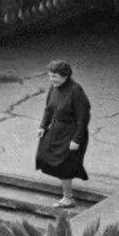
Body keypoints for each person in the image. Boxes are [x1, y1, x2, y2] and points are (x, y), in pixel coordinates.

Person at [36, 59, 92, 207]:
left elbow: (83, 118)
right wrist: (43, 126)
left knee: (64, 165)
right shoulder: (54, 87)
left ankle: (68, 198)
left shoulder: (75, 91)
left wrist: (77, 140)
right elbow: (49, 109)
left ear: (65, 75)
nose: (51, 79)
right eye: (50, 75)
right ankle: (65, 187)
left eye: (54, 76)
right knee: (44, 155)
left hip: (71, 132)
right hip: (56, 129)